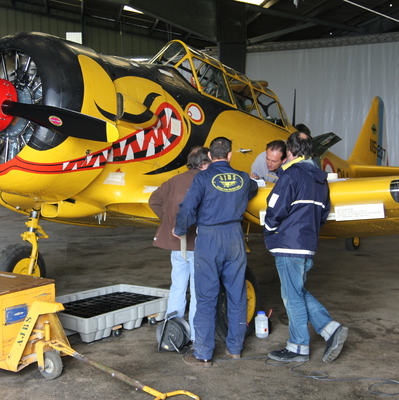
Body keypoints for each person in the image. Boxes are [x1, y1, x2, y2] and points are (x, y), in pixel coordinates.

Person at [264, 131, 348, 363]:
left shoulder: (291, 175)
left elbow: (274, 208)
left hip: (289, 244)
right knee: (296, 291)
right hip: (308, 244)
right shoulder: (320, 179)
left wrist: (270, 231)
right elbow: (322, 214)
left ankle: (298, 347)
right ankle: (330, 328)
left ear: (289, 152)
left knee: (292, 296)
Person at [174, 137, 258, 367]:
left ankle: (203, 353)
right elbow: (252, 189)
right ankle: (235, 349)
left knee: (206, 297)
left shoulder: (202, 177)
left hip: (209, 238)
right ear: (230, 155)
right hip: (234, 237)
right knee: (237, 294)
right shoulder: (242, 178)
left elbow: (188, 208)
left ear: (210, 156)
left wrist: (179, 229)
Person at [148, 146, 210, 343]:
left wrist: (168, 221)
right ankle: (194, 337)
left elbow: (153, 200)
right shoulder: (205, 180)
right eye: (209, 162)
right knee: (198, 291)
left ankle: (172, 333)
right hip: (198, 245)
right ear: (203, 164)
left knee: (178, 287)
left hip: (178, 245)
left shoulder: (175, 180)